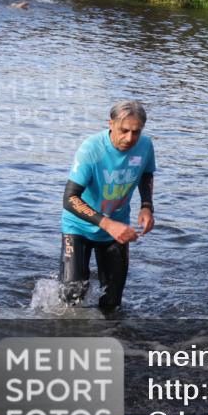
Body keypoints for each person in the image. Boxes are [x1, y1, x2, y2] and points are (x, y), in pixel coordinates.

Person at [59, 101, 156, 312]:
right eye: (124, 131)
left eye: (136, 132)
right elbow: (70, 198)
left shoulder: (146, 146)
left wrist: (147, 206)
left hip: (116, 228)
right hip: (79, 228)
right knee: (71, 298)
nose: (129, 138)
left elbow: (146, 173)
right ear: (110, 124)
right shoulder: (91, 149)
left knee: (112, 303)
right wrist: (107, 224)